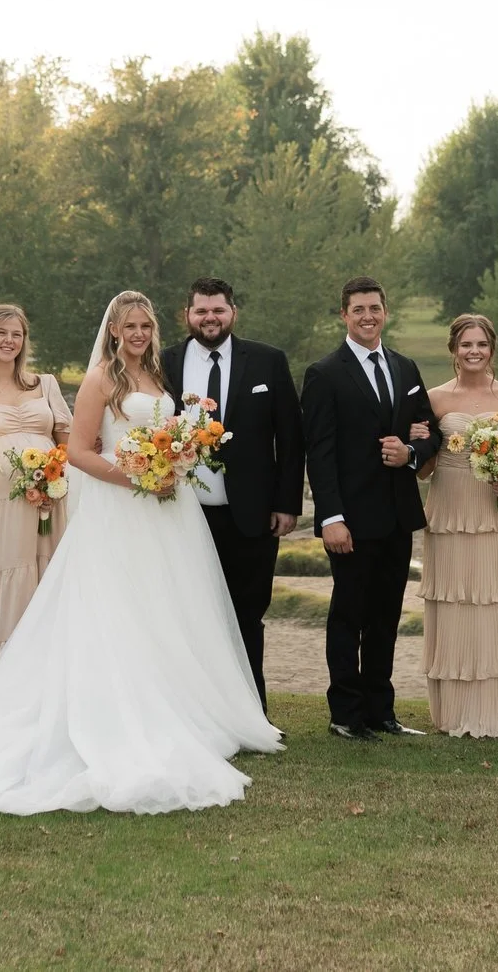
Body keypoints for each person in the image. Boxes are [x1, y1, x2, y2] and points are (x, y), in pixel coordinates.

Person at [0, 291, 281, 813]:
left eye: (145, 326)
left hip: (168, 510)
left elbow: (159, 431)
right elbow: (81, 451)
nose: (137, 334)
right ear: (112, 330)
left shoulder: (160, 376)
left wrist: (172, 461)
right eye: (128, 326)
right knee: (116, 609)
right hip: (121, 505)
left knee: (169, 609)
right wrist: (135, 477)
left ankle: (187, 709)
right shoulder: (101, 379)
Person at [303, 277, 440, 741]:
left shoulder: (405, 368)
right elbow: (318, 454)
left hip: (398, 515)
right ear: (344, 314)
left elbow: (431, 431)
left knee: (386, 616)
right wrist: (331, 518)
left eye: (375, 308)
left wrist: (412, 455)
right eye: (358, 309)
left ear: (386, 311)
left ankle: (382, 711)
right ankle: (346, 712)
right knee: (349, 614)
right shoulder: (325, 373)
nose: (367, 316)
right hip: (351, 520)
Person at [160, 278, 304, 706]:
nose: (210, 318)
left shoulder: (267, 361)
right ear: (187, 315)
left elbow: (291, 438)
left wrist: (286, 503)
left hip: (251, 513)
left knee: (246, 614)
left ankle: (249, 708)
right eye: (201, 311)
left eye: (218, 310)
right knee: (186, 614)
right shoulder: (163, 363)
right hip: (181, 512)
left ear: (233, 313)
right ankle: (192, 708)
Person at [418, 314, 498, 738]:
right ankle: (458, 712)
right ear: (453, 350)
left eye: (481, 345)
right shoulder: (434, 399)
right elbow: (424, 470)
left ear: (492, 348)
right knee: (459, 602)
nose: (474, 352)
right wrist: (417, 441)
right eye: (466, 345)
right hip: (453, 510)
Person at [0, 303, 73, 695]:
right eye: (1, 333)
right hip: (0, 501)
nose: (9, 341)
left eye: (17, 334)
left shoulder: (45, 384)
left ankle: (51, 685)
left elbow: (66, 440)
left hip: (48, 499)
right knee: (6, 577)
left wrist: (53, 483)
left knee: (46, 578)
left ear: (24, 341)